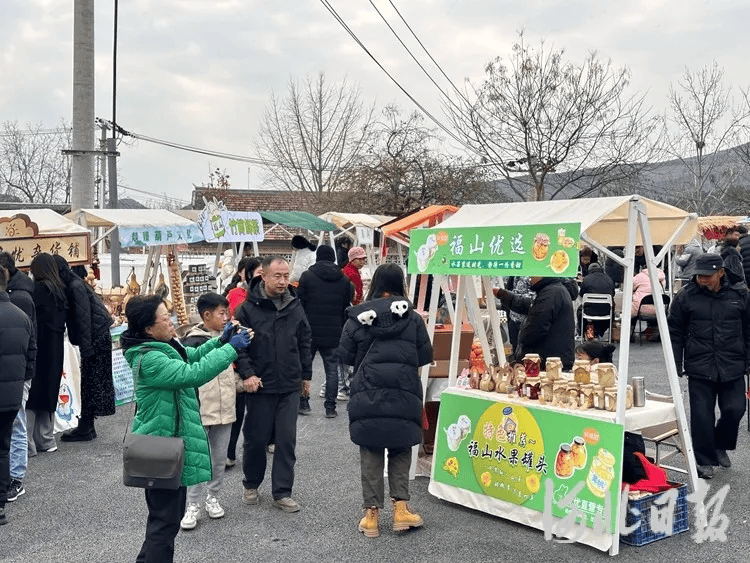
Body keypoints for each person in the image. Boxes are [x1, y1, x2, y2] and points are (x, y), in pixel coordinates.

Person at [120, 294, 251, 562]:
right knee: (164, 522)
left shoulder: (163, 347)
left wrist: (220, 341)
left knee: (167, 519)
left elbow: (190, 356)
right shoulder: (150, 357)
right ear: (148, 328)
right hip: (161, 448)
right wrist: (231, 350)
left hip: (170, 445)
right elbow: (192, 374)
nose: (172, 322)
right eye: (165, 318)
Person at [338, 263, 433, 538]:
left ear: (375, 285)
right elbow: (424, 356)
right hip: (403, 391)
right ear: (400, 285)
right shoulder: (412, 319)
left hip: (368, 391)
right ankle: (401, 511)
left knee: (370, 450)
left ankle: (371, 518)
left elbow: (344, 356)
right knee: (401, 448)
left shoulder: (357, 317)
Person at [234, 256, 312, 513]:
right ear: (263, 276)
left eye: (285, 275)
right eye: (277, 276)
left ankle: (282, 491)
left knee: (286, 440)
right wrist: (247, 374)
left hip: (289, 384)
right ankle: (251, 484)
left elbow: (304, 340)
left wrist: (306, 376)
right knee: (255, 439)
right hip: (260, 384)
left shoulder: (295, 304)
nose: (282, 281)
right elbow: (238, 347)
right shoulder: (246, 309)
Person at [667, 253, 750, 480]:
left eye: (707, 275)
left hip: (732, 363)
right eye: (698, 275)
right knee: (702, 416)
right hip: (700, 364)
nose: (701, 280)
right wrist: (675, 363)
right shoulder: (686, 296)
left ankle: (720, 444)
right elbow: (675, 332)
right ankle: (703, 459)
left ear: (720, 273)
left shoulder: (740, 294)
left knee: (735, 409)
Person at [180, 293, 244, 530]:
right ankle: (192, 504)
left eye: (227, 313)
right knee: (197, 459)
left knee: (219, 458)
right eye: (221, 313)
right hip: (201, 409)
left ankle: (213, 497)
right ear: (206, 315)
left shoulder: (230, 337)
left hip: (225, 406)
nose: (226, 317)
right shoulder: (192, 341)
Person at [53, 255, 115, 442]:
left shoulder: (74, 287)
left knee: (90, 381)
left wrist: (86, 349)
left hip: (96, 337)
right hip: (98, 335)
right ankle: (87, 425)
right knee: (92, 381)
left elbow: (83, 319)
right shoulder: (75, 283)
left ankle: (86, 426)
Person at [297, 245, 353, 418]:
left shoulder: (307, 276)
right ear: (333, 258)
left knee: (305, 367)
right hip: (334, 331)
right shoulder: (343, 280)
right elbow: (346, 305)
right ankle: (330, 407)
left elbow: (300, 303)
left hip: (309, 331)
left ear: (318, 257)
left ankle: (304, 403)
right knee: (332, 370)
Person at [0, 265, 35, 525]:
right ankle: (1, 506)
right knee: (4, 447)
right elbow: (31, 354)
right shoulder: (20, 315)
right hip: (12, 395)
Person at [26, 253, 67, 455]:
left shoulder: (38, 290)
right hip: (56, 346)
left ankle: (28, 444)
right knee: (49, 391)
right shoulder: (59, 290)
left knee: (33, 393)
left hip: (39, 346)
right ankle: (46, 439)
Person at [226, 258, 263, 467]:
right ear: (245, 273)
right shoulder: (237, 295)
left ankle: (268, 440)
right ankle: (230, 451)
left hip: (263, 360)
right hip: (242, 358)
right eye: (258, 272)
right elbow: (233, 323)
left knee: (260, 412)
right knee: (238, 410)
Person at [494, 276, 576, 370]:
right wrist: (505, 295)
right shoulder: (551, 291)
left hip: (550, 363)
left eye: (532, 274)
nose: (530, 278)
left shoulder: (551, 293)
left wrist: (522, 343)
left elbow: (536, 327)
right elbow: (532, 306)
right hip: (552, 360)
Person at [579, 262, 615, 340]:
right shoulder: (609, 279)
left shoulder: (586, 279)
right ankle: (599, 332)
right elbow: (613, 294)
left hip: (589, 311)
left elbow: (582, 294)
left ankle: (582, 333)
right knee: (611, 309)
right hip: (606, 311)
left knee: (580, 311)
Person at [631, 266, 665, 341]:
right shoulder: (661, 277)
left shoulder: (640, 276)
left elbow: (630, 286)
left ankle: (630, 334)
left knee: (629, 311)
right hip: (658, 310)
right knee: (652, 306)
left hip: (641, 309)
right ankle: (654, 332)